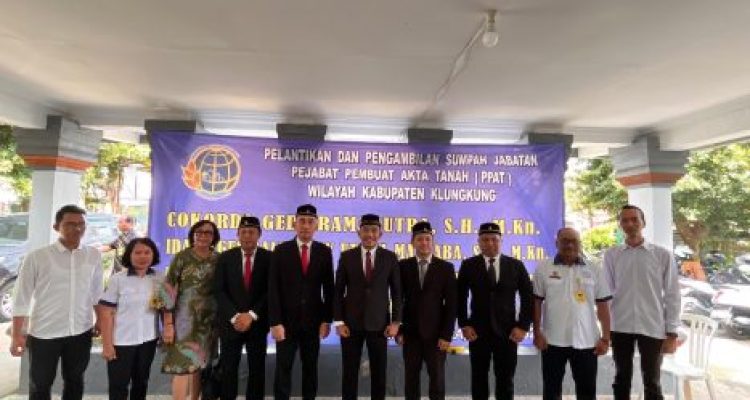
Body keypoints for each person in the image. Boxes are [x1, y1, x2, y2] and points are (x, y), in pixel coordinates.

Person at [10, 204, 103, 400]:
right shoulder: (37, 257)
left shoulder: (93, 255)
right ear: (56, 227)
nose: (77, 228)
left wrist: (100, 320)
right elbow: (21, 297)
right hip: (45, 333)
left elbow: (96, 292)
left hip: (80, 331)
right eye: (70, 224)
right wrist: (17, 334)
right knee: (40, 384)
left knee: (75, 380)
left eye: (81, 224)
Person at [603, 205, 681, 400]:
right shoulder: (611, 255)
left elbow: (672, 294)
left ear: (643, 223)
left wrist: (672, 332)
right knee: (621, 378)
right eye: (625, 220)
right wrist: (606, 329)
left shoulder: (662, 255)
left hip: (652, 325)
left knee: (652, 381)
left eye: (634, 219)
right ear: (620, 225)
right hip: (620, 325)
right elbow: (606, 293)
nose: (630, 224)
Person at [532, 228, 612, 400]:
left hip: (587, 341)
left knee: (587, 392)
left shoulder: (594, 269)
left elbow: (603, 305)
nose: (569, 245)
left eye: (574, 241)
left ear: (580, 243)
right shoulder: (544, 268)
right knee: (551, 391)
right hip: (552, 341)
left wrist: (606, 338)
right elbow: (536, 303)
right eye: (565, 241)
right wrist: (537, 333)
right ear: (556, 243)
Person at [457, 222, 533, 400]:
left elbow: (527, 297)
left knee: (506, 380)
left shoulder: (516, 265)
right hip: (477, 332)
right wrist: (464, 324)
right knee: (478, 379)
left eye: (494, 239)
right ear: (478, 242)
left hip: (508, 333)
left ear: (501, 241)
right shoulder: (468, 265)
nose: (490, 243)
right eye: (485, 239)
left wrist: (523, 326)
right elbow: (460, 298)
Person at [269, 204, 334, 400]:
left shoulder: (324, 251)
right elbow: (273, 289)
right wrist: (275, 322)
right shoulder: (281, 251)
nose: (306, 225)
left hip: (313, 323)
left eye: (310, 222)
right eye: (302, 221)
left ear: (316, 225)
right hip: (285, 323)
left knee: (310, 369)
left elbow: (329, 289)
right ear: (294, 224)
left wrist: (326, 320)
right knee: (283, 369)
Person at [334, 213, 402, 400]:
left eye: (374, 230)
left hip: (380, 324)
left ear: (380, 233)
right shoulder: (347, 256)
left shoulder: (390, 258)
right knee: (349, 373)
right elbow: (337, 291)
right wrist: (339, 321)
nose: (370, 234)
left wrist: (396, 322)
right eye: (365, 230)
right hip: (350, 324)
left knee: (379, 373)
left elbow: (397, 293)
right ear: (359, 233)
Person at [158, 220, 220, 400]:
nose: (203, 236)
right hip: (183, 320)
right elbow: (168, 289)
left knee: (198, 365)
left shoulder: (218, 259)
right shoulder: (182, 257)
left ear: (214, 237)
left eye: (208, 233)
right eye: (199, 232)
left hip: (208, 322)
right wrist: (168, 324)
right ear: (193, 234)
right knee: (181, 366)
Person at [397, 221, 457, 400]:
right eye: (420, 239)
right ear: (412, 242)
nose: (424, 243)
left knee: (437, 381)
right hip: (410, 335)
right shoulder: (402, 266)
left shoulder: (446, 268)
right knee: (411, 381)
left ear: (432, 242)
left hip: (436, 336)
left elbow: (451, 304)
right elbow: (397, 301)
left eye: (427, 239)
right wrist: (399, 330)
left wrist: (446, 335)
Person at [98, 237, 164, 400]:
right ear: (129, 255)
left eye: (147, 252)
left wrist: (165, 330)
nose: (143, 256)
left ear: (153, 255)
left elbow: (164, 307)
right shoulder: (118, 279)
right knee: (118, 385)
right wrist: (107, 345)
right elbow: (106, 312)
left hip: (148, 339)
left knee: (141, 383)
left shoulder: (159, 277)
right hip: (121, 342)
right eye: (138, 253)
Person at [214, 216, 271, 400]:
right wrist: (235, 316)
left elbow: (270, 291)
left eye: (251, 232)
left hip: (257, 323)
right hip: (231, 324)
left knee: (257, 370)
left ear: (259, 234)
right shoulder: (225, 258)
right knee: (228, 369)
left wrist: (251, 315)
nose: (247, 236)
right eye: (243, 232)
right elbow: (219, 290)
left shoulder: (269, 258)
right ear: (237, 234)